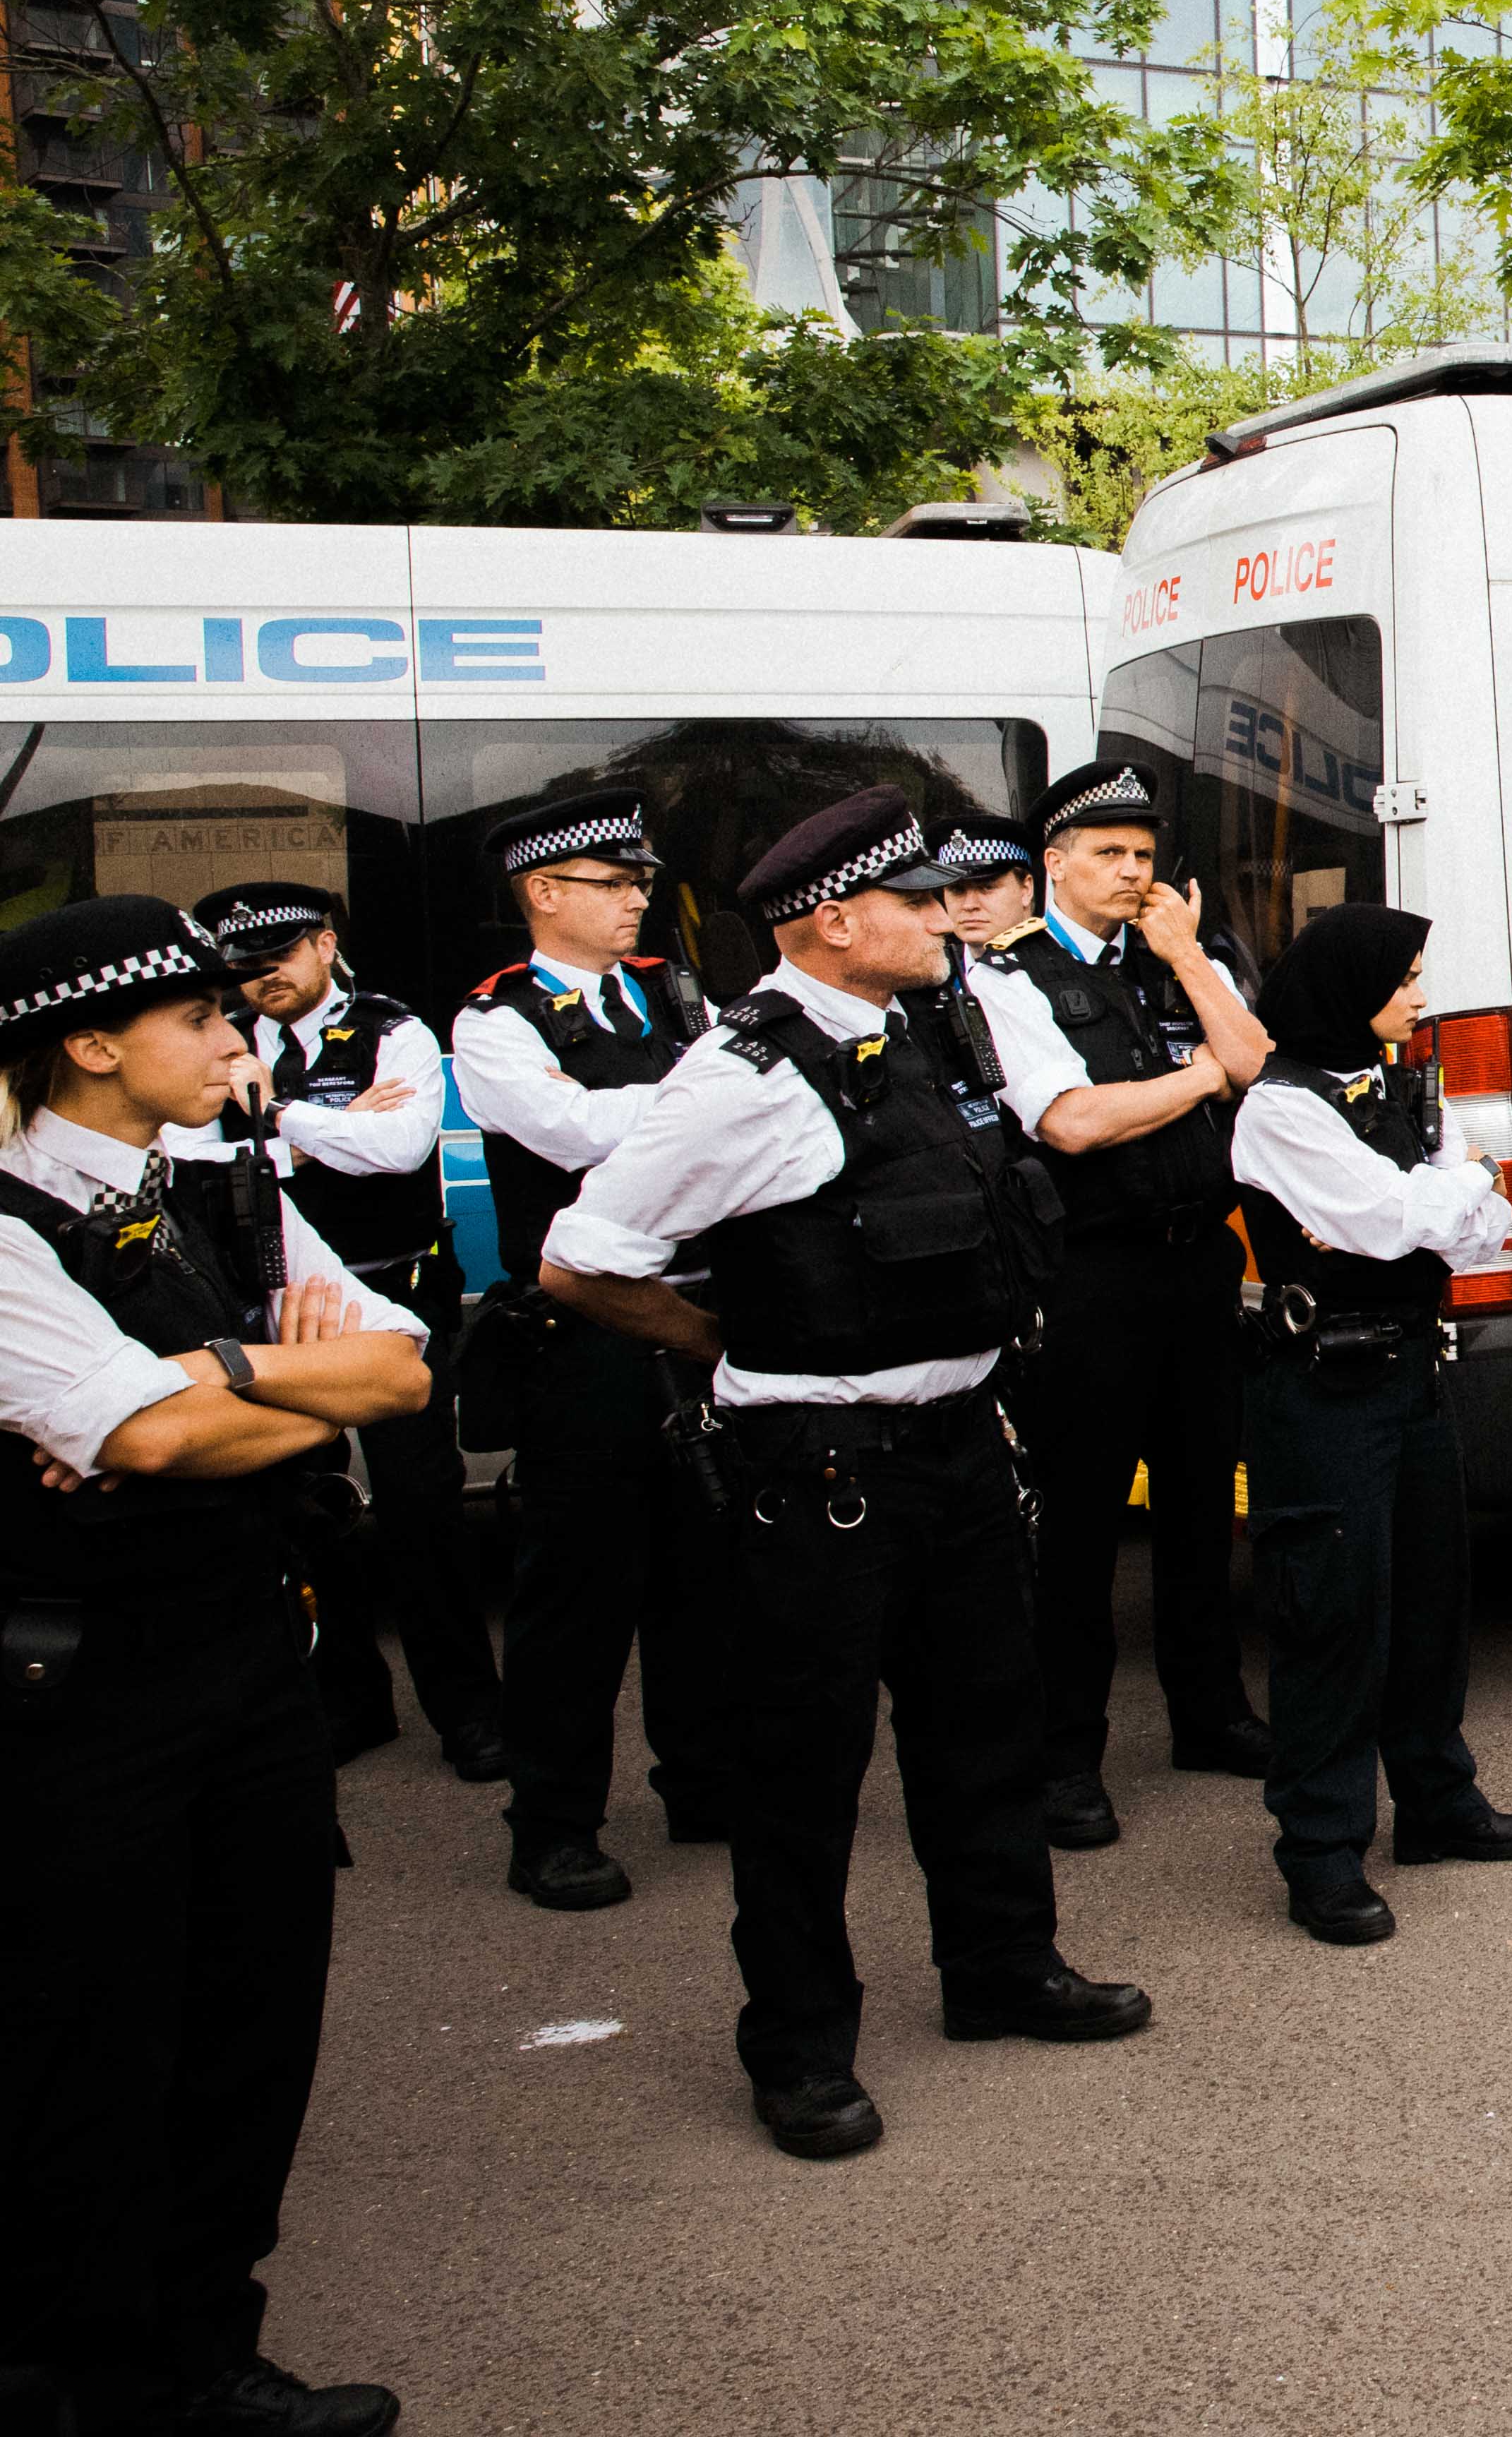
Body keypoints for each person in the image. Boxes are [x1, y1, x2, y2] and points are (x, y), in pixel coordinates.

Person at [538, 793, 1153, 2161]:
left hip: (959, 1445)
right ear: (832, 921)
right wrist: (717, 1342)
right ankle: (801, 2046)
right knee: (803, 1774)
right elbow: (582, 1257)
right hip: (823, 1469)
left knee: (985, 1731)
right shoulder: (745, 1077)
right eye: (921, 901)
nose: (951, 916)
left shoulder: (930, 1030)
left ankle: (1000, 1969)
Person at [0, 896, 430, 2437]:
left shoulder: (226, 1188)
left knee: (254, 2021)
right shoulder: (6, 1225)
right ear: (92, 1045)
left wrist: (224, 1373)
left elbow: (401, 1362)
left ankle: (206, 2352)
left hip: (251, 1653)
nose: (236, 1038)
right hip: (83, 1698)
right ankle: (87, 2374)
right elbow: (152, 1435)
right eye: (198, 1019)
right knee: (98, 2044)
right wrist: (233, 1397)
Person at [964, 761, 1272, 1850]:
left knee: (1199, 1507)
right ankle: (1063, 1758)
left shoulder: (1176, 960)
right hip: (1090, 1280)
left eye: (1144, 855)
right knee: (1083, 1527)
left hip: (1195, 1267)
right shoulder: (1007, 977)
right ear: (1054, 865)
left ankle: (1212, 1715)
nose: (1132, 873)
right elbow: (1075, 1123)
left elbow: (1258, 1060)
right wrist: (1201, 1083)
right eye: (1108, 854)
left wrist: (1187, 955)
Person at [1225, 903, 1512, 1944]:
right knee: (1331, 1617)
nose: (1418, 996)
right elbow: (1387, 1224)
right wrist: (1448, 1190)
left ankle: (1436, 1801)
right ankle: (1320, 1850)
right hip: (1320, 1387)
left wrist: (1448, 1193)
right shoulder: (1281, 1109)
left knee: (1430, 1600)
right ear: (1347, 991)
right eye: (1404, 979)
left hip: (1411, 1374)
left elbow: (1481, 1224)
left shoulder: (1405, 1088)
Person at [448, 789, 733, 1912]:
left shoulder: (674, 989)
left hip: (693, 1316)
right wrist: (691, 1100)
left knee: (702, 1572)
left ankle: (703, 1782)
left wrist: (666, 1101)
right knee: (575, 1594)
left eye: (639, 883)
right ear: (544, 893)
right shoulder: (495, 1019)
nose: (636, 900)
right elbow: (567, 1133)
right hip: (580, 1335)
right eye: (613, 885)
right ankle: (553, 1822)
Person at [187, 880, 502, 1786]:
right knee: (312, 1510)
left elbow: (401, 1148)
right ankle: (350, 1700)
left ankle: (471, 1713)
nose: (261, 981)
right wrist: (330, 1130)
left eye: (278, 959)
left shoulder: (390, 1029)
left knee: (423, 1508)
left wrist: (277, 1115)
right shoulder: (220, 1037)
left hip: (390, 1297)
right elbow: (195, 1159)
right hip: (280, 1312)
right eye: (244, 969)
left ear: (325, 945)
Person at [935, 814, 1042, 947]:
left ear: (1026, 890)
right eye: (957, 890)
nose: (969, 905)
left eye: (987, 887)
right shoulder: (936, 966)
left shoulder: (1063, 964)